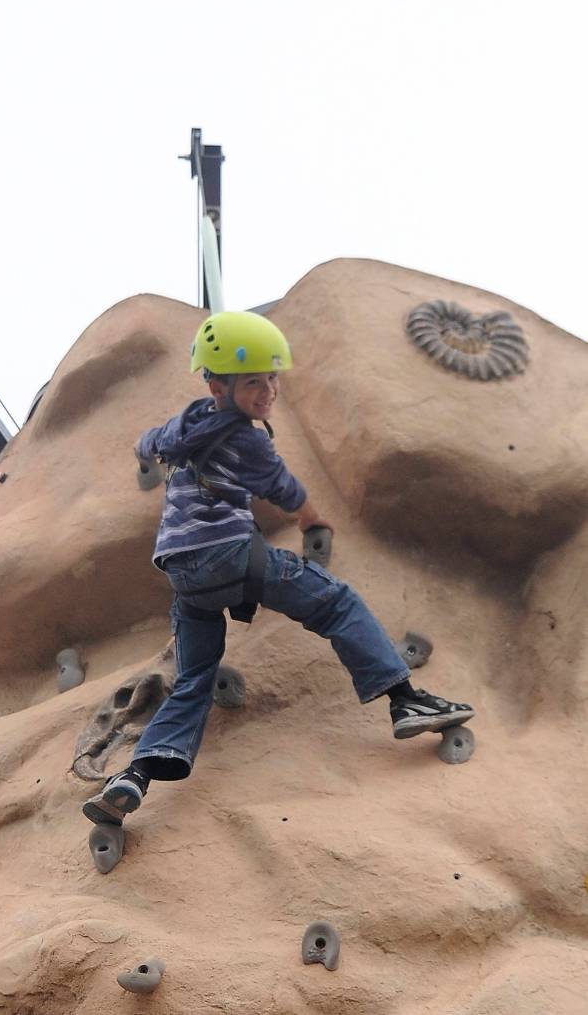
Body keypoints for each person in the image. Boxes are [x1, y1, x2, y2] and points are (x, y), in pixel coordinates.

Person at [83, 312, 474, 826]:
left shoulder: (183, 424)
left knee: (194, 676)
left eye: (272, 378)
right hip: (230, 554)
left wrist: (146, 456)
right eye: (254, 382)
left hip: (182, 576)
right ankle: (406, 701)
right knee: (336, 603)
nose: (268, 390)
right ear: (217, 385)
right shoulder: (244, 436)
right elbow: (281, 487)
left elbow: (148, 442)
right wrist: (314, 521)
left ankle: (135, 776)